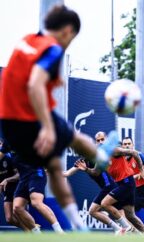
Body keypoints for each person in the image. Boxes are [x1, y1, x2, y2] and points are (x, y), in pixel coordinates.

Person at [0, 5, 119, 230]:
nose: (68, 43)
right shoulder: (52, 48)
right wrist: (45, 126)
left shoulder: (28, 40)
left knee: (54, 166)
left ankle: (77, 226)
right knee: (73, 137)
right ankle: (101, 157)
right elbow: (34, 83)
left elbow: (23, 75)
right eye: (72, 38)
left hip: (9, 121)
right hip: (28, 116)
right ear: (67, 31)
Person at [63, 131, 124, 233]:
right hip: (111, 188)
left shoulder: (108, 153)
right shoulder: (86, 159)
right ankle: (123, 230)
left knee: (93, 211)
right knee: (124, 215)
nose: (100, 142)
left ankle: (119, 229)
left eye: (102, 140)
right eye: (98, 140)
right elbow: (67, 173)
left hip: (111, 187)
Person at [13, 158, 64, 233]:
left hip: (36, 173)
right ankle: (37, 233)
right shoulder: (8, 148)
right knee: (17, 207)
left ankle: (59, 231)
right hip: (23, 178)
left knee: (36, 202)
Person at [0, 139, 23, 229]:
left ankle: (32, 231)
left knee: (17, 211)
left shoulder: (9, 158)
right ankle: (30, 228)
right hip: (5, 190)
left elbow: (18, 175)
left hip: (16, 186)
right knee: (9, 218)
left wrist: (7, 180)